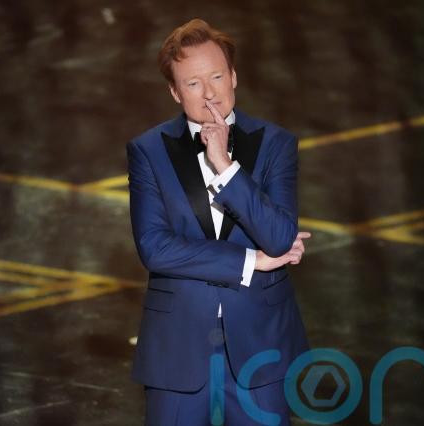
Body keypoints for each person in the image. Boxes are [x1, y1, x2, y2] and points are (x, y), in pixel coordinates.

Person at [127, 18, 311, 426]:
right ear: (175, 92)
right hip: (177, 346)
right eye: (193, 83)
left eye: (217, 76)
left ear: (234, 76)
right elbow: (155, 248)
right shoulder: (148, 151)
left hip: (261, 344)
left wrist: (225, 166)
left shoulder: (276, 144)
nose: (209, 92)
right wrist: (250, 261)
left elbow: (280, 238)